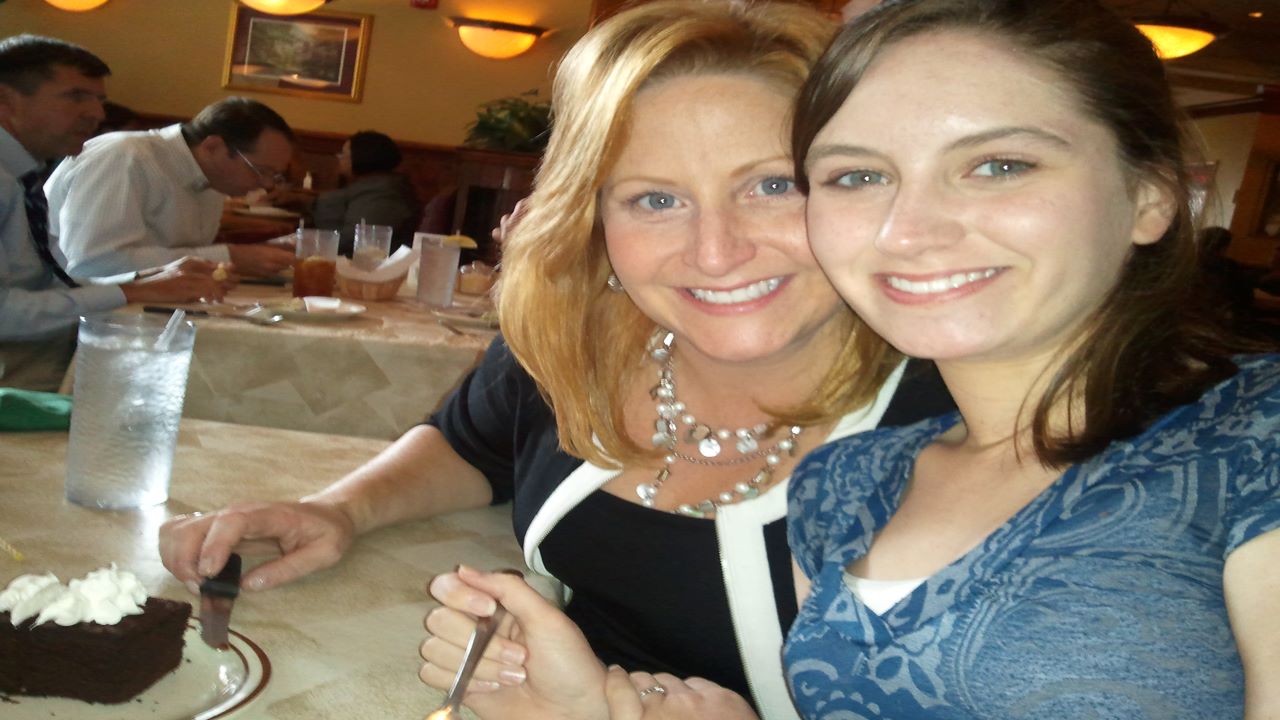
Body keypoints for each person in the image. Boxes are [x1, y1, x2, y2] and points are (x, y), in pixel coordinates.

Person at [422, 0, 1280, 718]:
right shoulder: (856, 483)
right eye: (858, 177)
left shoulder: (1252, 441)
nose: (907, 232)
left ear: (1154, 192)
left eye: (997, 164)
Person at [157, 2, 952, 718]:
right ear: (593, 218)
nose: (716, 251)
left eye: (774, 185)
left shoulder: (960, 423)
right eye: (655, 199)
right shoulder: (580, 338)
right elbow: (469, 445)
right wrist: (340, 509)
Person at [0, 34, 233, 391]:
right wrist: (130, 292)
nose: (98, 114)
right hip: (20, 374)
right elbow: (5, 315)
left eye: (98, 100)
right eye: (76, 96)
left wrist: (146, 281)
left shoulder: (21, 176)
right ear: (6, 101)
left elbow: (50, 283)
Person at [45, 96, 296, 279]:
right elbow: (93, 265)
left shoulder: (211, 180)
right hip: (60, 312)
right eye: (261, 171)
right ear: (213, 147)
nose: (265, 185)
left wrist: (250, 253)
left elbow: (176, 255)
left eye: (274, 175)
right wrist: (229, 257)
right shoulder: (126, 157)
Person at [311, 130, 419, 256]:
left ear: (361, 157)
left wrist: (307, 241)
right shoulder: (376, 186)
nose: (339, 158)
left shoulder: (383, 195)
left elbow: (354, 240)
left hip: (369, 268)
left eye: (343, 154)